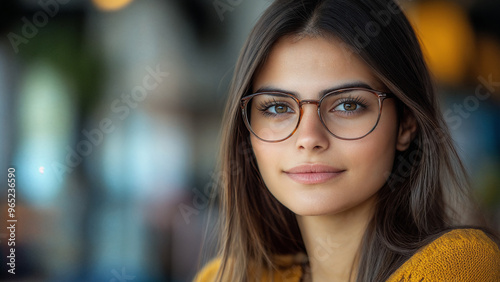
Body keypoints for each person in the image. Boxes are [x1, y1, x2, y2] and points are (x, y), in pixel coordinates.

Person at [194, 0, 500, 281]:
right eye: (278, 107)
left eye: (347, 105)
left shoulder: (458, 266)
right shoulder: (221, 277)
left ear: (406, 123)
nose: (309, 138)